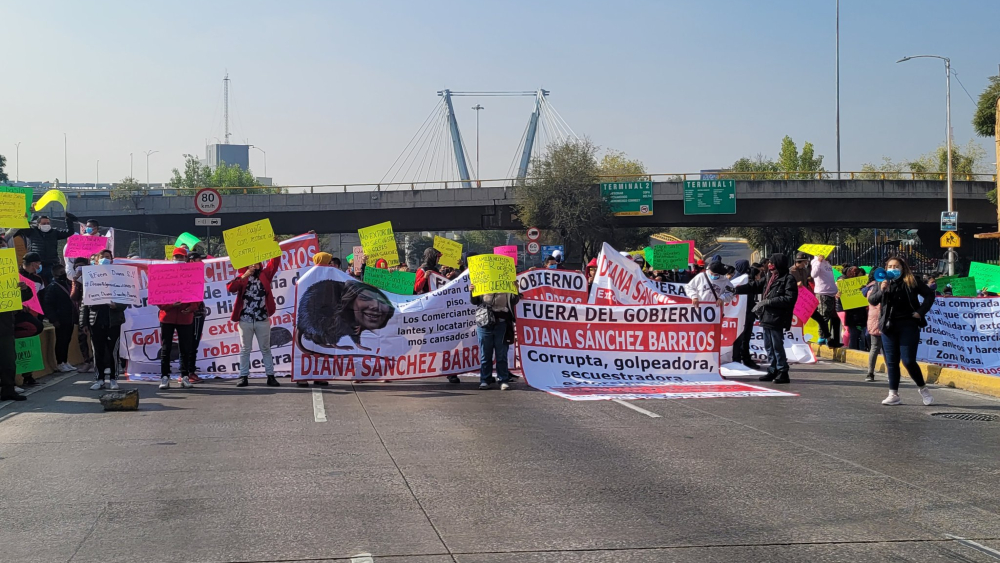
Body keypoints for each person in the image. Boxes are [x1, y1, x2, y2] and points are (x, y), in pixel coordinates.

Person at [866, 257, 936, 406]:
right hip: (889, 326)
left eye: (896, 266)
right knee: (891, 362)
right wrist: (882, 289)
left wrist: (920, 312)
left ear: (903, 268)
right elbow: (872, 300)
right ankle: (893, 394)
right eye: (890, 266)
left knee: (908, 361)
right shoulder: (881, 281)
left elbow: (930, 295)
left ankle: (923, 389)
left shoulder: (912, 281)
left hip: (908, 325)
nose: (892, 269)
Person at [735, 253, 797, 384]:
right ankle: (772, 369)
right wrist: (735, 289)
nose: (769, 265)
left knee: (777, 346)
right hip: (766, 316)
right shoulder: (769, 277)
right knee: (768, 346)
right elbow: (755, 286)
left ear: (778, 264)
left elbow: (789, 299)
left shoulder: (788, 279)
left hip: (778, 317)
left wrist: (769, 301)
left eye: (772, 263)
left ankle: (782, 371)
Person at [226, 247, 282, 388]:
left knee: (265, 348)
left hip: (262, 319)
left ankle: (270, 376)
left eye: (256, 263)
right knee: (245, 349)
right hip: (245, 319)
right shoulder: (242, 276)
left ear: (260, 264)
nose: (253, 266)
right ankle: (243, 376)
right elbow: (230, 288)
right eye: (251, 263)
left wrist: (274, 246)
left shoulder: (265, 275)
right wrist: (244, 276)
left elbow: (274, 263)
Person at [80, 249, 127, 390]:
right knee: (98, 351)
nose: (105, 259)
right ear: (96, 260)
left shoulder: (119, 278)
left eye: (108, 257)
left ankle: (113, 379)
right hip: (96, 320)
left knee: (113, 351)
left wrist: (116, 305)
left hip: (113, 321)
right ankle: (99, 379)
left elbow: (126, 300)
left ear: (112, 260)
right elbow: (84, 303)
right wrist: (84, 323)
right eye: (103, 257)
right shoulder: (90, 277)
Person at [155, 247, 198, 389]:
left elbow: (197, 295)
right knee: (166, 348)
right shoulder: (163, 274)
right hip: (167, 317)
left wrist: (191, 308)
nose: (179, 260)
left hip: (185, 317)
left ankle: (184, 375)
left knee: (185, 348)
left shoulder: (192, 274)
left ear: (186, 259)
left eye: (182, 257)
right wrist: (170, 305)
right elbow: (158, 297)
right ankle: (164, 377)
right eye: (177, 257)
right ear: (172, 258)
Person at [470, 286, 519, 390]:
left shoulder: (507, 285)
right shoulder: (482, 284)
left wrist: (515, 289)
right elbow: (474, 301)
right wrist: (472, 291)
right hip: (484, 324)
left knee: (501, 355)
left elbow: (514, 301)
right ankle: (485, 380)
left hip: (502, 324)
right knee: (485, 354)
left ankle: (503, 380)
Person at [9, 213, 78, 284]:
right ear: (38, 224)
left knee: (51, 284)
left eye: (48, 223)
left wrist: (68, 220)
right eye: (44, 223)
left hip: (51, 264)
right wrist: (25, 219)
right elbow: (21, 228)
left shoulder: (54, 232)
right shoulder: (32, 231)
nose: (46, 225)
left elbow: (69, 232)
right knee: (38, 284)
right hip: (37, 265)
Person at [16, 252, 46, 386]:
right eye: (38, 263)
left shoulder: (39, 279)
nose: (40, 266)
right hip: (17, 314)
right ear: (33, 263)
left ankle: (28, 376)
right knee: (35, 328)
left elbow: (40, 297)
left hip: (33, 314)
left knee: (31, 342)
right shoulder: (16, 276)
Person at [42, 263, 78, 373]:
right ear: (56, 275)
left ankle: (65, 361)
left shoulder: (67, 284)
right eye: (61, 273)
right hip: (60, 319)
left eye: (64, 272)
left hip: (69, 318)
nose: (64, 274)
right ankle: (60, 363)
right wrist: (54, 319)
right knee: (61, 341)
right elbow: (47, 305)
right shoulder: (52, 287)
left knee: (67, 340)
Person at [730, 260, 760, 369]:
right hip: (741, 315)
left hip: (745, 314)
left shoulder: (742, 280)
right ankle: (739, 360)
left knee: (744, 339)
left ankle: (742, 359)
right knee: (740, 339)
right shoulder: (737, 281)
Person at [811, 253, 842, 348]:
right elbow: (814, 274)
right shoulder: (816, 262)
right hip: (823, 293)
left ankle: (828, 337)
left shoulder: (827, 263)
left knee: (829, 315)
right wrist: (819, 262)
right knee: (823, 315)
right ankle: (823, 337)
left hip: (831, 293)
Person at [69, 256, 94, 373]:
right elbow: (74, 297)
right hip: (82, 313)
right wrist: (75, 281)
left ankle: (97, 362)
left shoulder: (95, 278)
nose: (79, 268)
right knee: (82, 338)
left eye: (82, 266)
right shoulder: (76, 281)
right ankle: (86, 361)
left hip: (94, 312)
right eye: (77, 266)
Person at [861, 272, 882, 382]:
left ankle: (871, 373)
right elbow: (873, 301)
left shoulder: (871, 287)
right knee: (876, 348)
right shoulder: (875, 288)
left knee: (879, 348)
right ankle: (870, 372)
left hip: (879, 321)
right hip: (878, 320)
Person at [841, 266, 868, 351]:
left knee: (863, 334)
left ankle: (862, 349)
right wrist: (839, 294)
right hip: (852, 314)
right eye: (853, 272)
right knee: (854, 334)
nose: (855, 274)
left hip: (862, 312)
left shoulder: (864, 283)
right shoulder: (844, 283)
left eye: (857, 272)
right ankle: (854, 349)